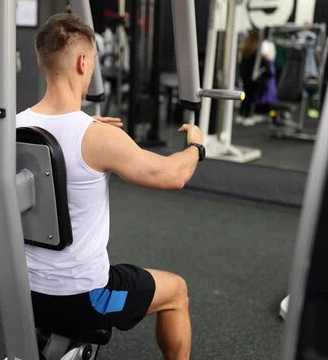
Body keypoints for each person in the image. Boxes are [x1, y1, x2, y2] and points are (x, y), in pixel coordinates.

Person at [17, 13, 203, 360]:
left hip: (24, 291)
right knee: (177, 291)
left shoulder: (12, 127)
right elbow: (172, 175)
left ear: (41, 60)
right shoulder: (98, 137)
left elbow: (59, 141)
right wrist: (196, 146)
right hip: (84, 298)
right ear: (83, 61)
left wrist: (88, 129)